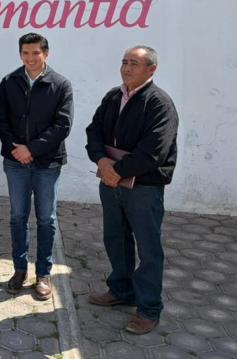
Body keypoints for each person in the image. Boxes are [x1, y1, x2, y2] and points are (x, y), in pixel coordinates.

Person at [85, 46, 178, 335]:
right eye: (124, 62)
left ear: (151, 70)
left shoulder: (160, 104)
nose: (126, 68)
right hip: (111, 182)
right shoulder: (114, 96)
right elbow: (94, 131)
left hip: (143, 187)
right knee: (115, 237)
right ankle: (121, 290)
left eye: (134, 63)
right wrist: (101, 161)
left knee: (148, 249)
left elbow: (154, 152)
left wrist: (116, 171)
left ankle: (149, 309)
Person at [0, 33, 73, 300]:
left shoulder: (60, 84)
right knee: (18, 217)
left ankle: (43, 273)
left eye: (35, 53)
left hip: (46, 163)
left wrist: (33, 148)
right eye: (25, 53)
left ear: (46, 54)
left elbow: (62, 125)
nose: (30, 58)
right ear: (20, 55)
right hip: (15, 162)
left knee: (45, 219)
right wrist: (17, 149)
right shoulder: (9, 82)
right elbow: (0, 121)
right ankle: (19, 269)